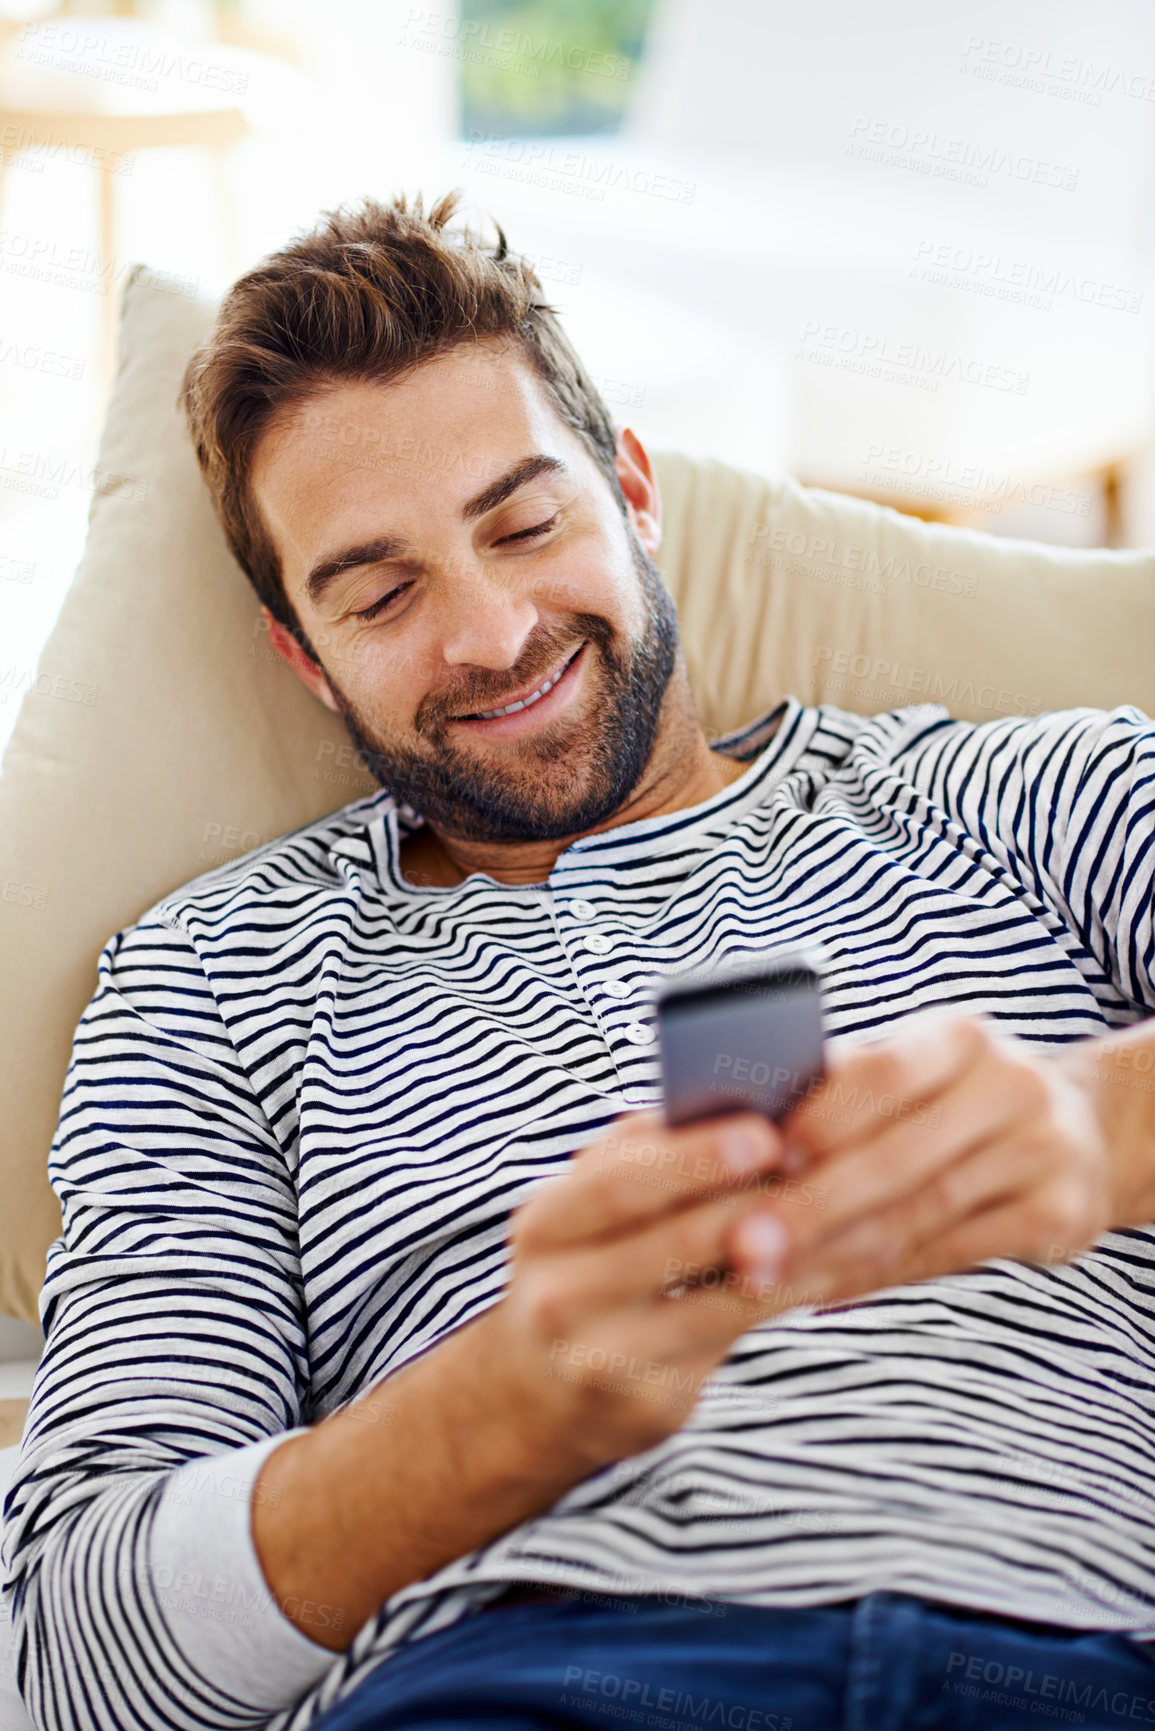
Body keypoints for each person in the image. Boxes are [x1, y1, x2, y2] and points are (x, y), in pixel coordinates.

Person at [4, 191, 1155, 1731]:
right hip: (522, 1685)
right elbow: (65, 1654)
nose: (488, 634)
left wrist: (1104, 1128)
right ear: (304, 655)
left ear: (633, 495)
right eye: (381, 592)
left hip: (1066, 1656)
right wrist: (508, 1407)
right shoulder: (209, 979)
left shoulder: (1017, 796)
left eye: (526, 521)